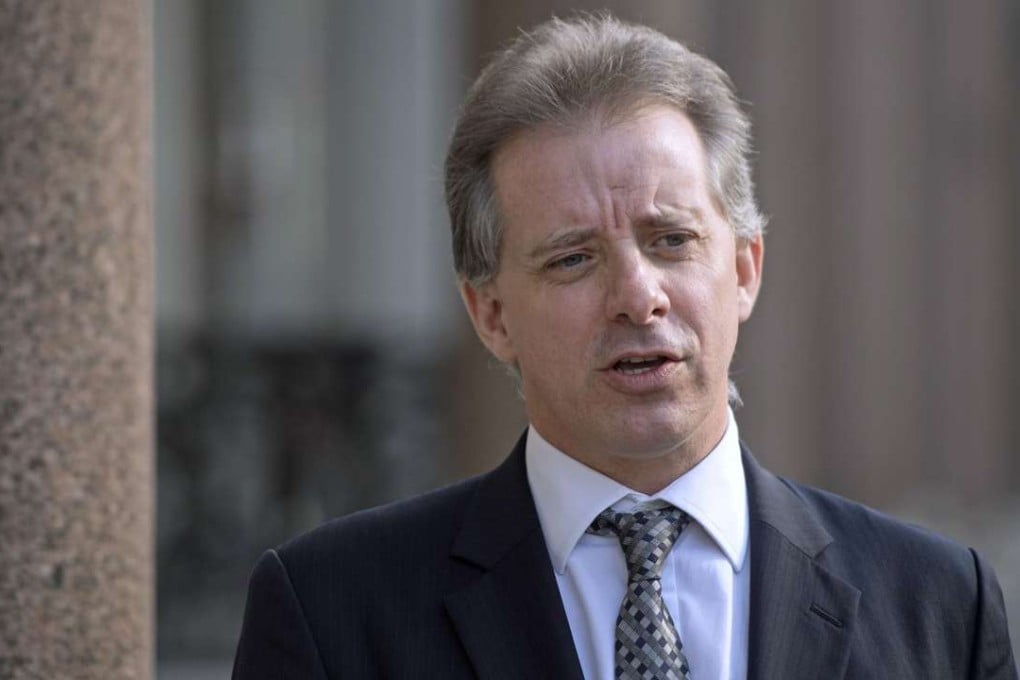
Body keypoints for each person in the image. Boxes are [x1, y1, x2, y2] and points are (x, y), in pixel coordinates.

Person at [232, 13, 1016, 679]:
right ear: (490, 312)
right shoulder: (333, 614)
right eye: (573, 258)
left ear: (744, 269)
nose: (639, 296)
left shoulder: (940, 606)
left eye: (672, 239)